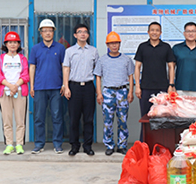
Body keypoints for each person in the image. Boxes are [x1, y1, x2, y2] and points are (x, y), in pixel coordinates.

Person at [29, 19, 66, 155]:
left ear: (54, 32)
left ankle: (57, 144)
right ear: (41, 33)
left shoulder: (60, 48)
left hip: (56, 87)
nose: (48, 33)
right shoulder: (35, 49)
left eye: (50, 30)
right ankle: (39, 144)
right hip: (39, 87)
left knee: (57, 117)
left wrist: (64, 84)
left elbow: (64, 67)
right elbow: (32, 67)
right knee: (39, 117)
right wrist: (32, 86)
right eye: (45, 30)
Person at [95, 31, 135, 156]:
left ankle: (122, 145)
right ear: (107, 45)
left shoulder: (126, 60)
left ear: (119, 44)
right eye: (111, 43)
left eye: (116, 43)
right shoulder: (102, 60)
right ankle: (109, 145)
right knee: (108, 121)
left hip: (122, 91)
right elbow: (98, 77)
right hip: (108, 92)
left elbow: (131, 76)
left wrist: (130, 92)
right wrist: (99, 93)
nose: (114, 45)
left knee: (122, 120)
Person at [63, 24, 99, 157]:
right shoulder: (69, 51)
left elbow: (97, 70)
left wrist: (98, 90)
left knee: (88, 119)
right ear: (75, 35)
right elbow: (66, 69)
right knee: (74, 118)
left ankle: (88, 146)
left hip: (89, 87)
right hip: (74, 87)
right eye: (80, 32)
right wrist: (66, 87)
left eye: (85, 32)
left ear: (88, 35)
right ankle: (74, 145)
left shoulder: (93, 51)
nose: (83, 34)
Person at [0, 31, 29, 155]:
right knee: (7, 120)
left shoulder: (23, 59)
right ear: (6, 44)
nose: (13, 45)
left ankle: (19, 144)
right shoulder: (1, 59)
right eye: (10, 42)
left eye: (15, 42)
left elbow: (26, 75)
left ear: (19, 44)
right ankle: (9, 144)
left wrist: (16, 86)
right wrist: (10, 86)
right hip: (5, 92)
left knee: (20, 120)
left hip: (20, 92)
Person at [134, 22, 176, 123]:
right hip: (145, 88)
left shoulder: (166, 47)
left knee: (163, 117)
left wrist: (171, 85)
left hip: (163, 88)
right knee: (145, 117)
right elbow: (137, 67)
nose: (154, 32)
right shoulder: (142, 47)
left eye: (157, 30)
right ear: (148, 32)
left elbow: (171, 66)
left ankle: (161, 135)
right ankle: (144, 134)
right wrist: (138, 86)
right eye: (152, 30)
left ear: (160, 32)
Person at [172, 22, 196, 97]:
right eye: (188, 31)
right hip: (179, 88)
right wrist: (172, 85)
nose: (190, 33)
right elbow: (171, 68)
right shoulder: (176, 48)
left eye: (193, 31)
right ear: (184, 33)